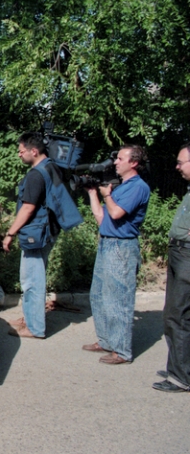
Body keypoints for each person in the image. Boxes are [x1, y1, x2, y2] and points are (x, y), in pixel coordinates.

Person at [82, 145, 150, 365]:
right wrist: (94, 193)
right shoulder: (121, 187)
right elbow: (102, 218)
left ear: (134, 163)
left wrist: (107, 195)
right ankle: (106, 341)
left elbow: (116, 212)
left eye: (120, 159)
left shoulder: (137, 187)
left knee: (118, 300)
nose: (115, 162)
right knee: (99, 295)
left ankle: (121, 351)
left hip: (121, 248)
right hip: (107, 244)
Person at [2, 132, 60, 339]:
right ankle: (29, 318)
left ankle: (35, 328)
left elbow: (27, 208)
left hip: (36, 233)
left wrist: (10, 233)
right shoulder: (51, 167)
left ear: (33, 151)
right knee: (34, 277)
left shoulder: (36, 174)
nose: (19, 155)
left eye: (21, 151)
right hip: (48, 230)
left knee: (32, 281)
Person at [153, 143, 190, 391]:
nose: (177, 167)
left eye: (181, 162)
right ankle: (180, 365)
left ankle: (181, 377)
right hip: (179, 252)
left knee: (178, 314)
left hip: (186, 254)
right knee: (175, 313)